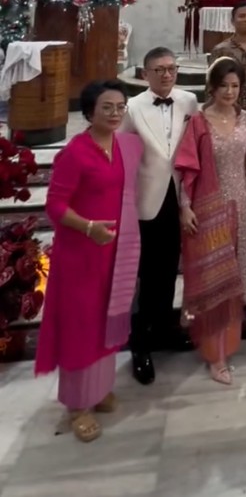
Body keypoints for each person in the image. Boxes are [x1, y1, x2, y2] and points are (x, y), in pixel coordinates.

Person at [35, 81, 142, 443]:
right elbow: (54, 206)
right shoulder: (76, 153)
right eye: (106, 107)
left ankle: (98, 390)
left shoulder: (122, 146)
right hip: (81, 254)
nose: (114, 114)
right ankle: (77, 405)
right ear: (89, 111)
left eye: (119, 107)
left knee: (105, 319)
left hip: (114, 251)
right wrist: (88, 228)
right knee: (80, 326)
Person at [174, 57, 246, 385]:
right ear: (212, 87)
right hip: (209, 205)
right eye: (224, 85)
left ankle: (229, 342)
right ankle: (216, 355)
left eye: (235, 86)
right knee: (214, 277)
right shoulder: (199, 121)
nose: (229, 91)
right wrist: (185, 206)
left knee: (234, 274)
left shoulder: (245, 119)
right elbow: (186, 168)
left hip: (239, 201)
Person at [122, 46, 198, 385]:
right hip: (144, 199)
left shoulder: (188, 102)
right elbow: (123, 158)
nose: (166, 75)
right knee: (143, 273)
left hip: (178, 196)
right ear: (145, 74)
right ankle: (139, 342)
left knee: (168, 268)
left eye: (171, 68)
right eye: (159, 70)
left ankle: (165, 329)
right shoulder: (132, 107)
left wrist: (188, 200)